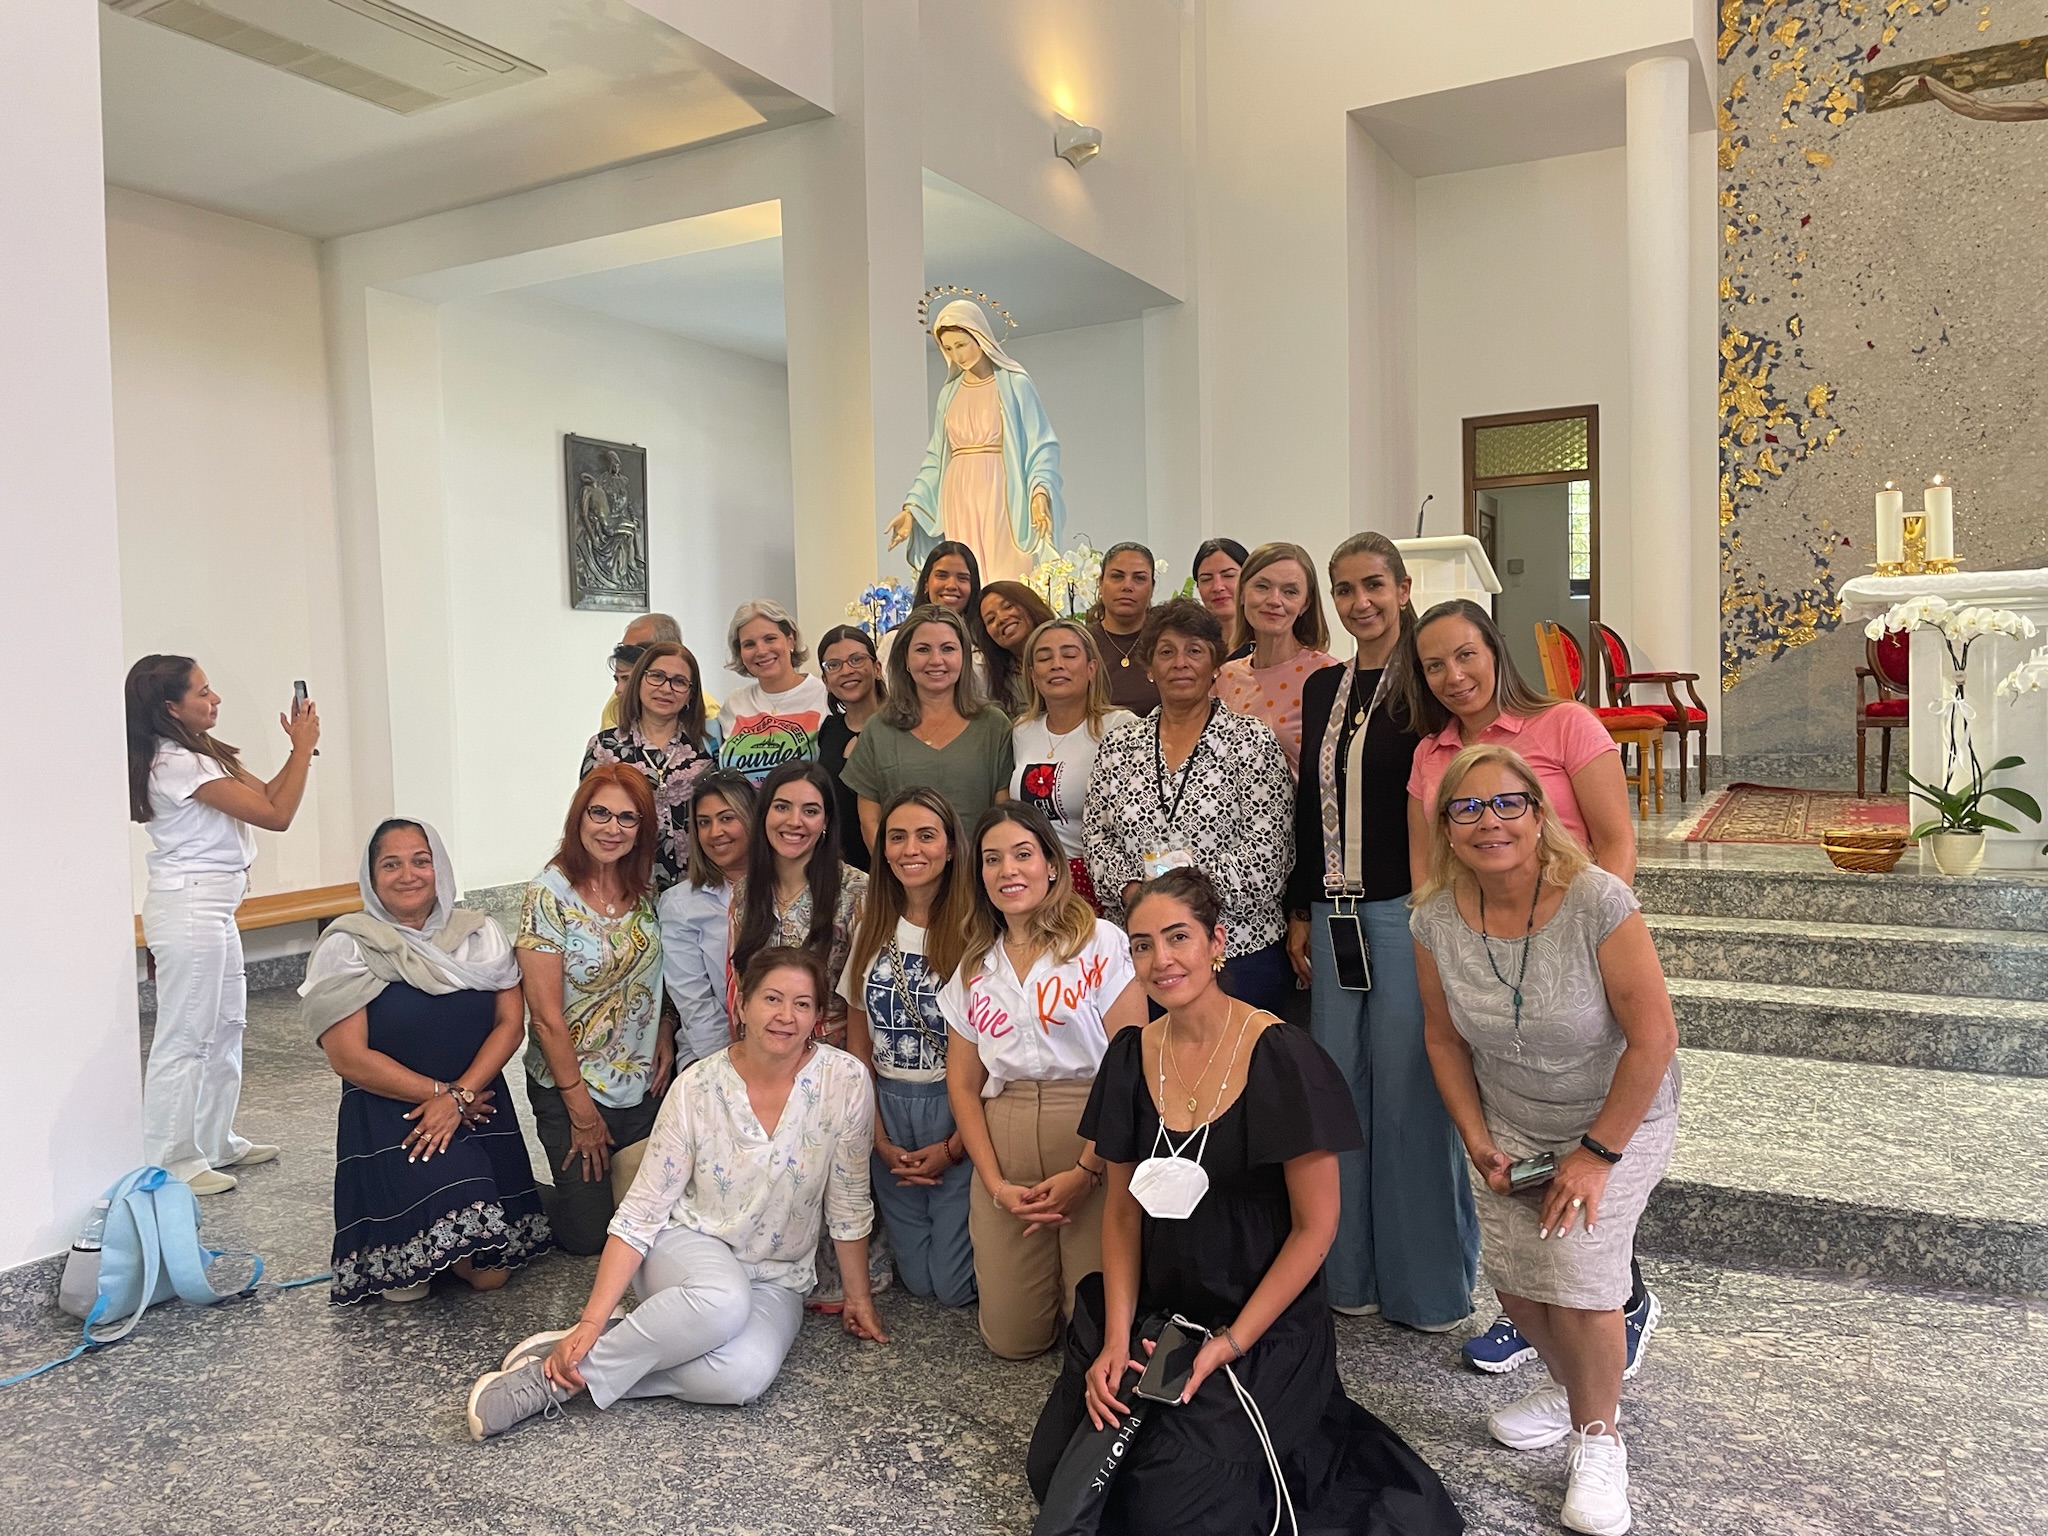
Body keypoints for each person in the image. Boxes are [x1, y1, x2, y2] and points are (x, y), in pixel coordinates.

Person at [1026, 869, 1463, 1536]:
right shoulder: (1129, 1056)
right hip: (1160, 1310)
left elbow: (1317, 1229)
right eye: (1142, 945)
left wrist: (1231, 1343)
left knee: (1173, 1507)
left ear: (1216, 942)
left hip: (1259, 1322)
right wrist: (1116, 1340)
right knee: (1059, 1471)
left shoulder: (1281, 1056)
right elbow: (1120, 1211)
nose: (1161, 960)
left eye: (1178, 938)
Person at [1410, 745, 1679, 1536]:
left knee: (1579, 1269)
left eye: (1507, 803)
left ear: (1539, 812)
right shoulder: (1431, 921)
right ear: (1447, 829)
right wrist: (1476, 1137)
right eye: (1468, 808)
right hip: (1513, 1122)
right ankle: (1575, 1393)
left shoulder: (1597, 899)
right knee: (1520, 1284)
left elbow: (1654, 1037)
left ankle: (1601, 1439)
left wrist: (1595, 1156)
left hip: (1618, 1114)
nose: (1489, 821)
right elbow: (1443, 1041)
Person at [465, 947, 886, 1440]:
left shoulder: (846, 1082)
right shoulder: (697, 1087)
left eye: (802, 1004)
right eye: (772, 998)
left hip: (777, 1273)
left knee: (741, 1377)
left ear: (817, 1016)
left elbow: (849, 1199)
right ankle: (546, 1383)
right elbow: (641, 1212)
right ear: (743, 1004)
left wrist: (858, 1296)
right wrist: (590, 1319)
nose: (786, 1017)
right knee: (722, 1300)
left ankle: (593, 1363)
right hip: (684, 1246)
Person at [1286, 534, 1477, 1330]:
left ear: (1402, 588)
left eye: (1373, 585)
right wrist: (1300, 905)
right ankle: (1349, 1277)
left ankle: (1427, 1287)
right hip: (1332, 915)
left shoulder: (1429, 682)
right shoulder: (1325, 684)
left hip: (1407, 911)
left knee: (1410, 1096)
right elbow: (1308, 797)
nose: (1359, 602)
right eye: (1343, 589)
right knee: (1341, 1095)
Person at [304, 820, 551, 1305]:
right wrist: (441, 1098)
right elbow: (348, 1057)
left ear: (439, 867)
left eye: (421, 860)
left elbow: (509, 1026)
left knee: (489, 1275)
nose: (408, 874)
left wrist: (459, 1097)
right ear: (371, 877)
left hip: (477, 1103)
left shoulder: (480, 936)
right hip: (396, 1115)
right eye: (390, 864)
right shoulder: (348, 945)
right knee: (406, 1290)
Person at [941, 804, 1147, 1359]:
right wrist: (995, 1183)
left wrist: (1087, 1170)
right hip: (1004, 1131)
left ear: (1052, 865)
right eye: (992, 859)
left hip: (1093, 1129)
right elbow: (962, 1083)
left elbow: (1129, 1065)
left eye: (1023, 854)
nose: (1008, 869)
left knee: (1096, 1330)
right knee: (1013, 1341)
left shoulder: (1103, 943)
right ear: (980, 876)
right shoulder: (974, 965)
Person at [126, 655, 320, 1195]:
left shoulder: (199, 752)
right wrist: (303, 748)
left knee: (227, 1023)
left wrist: (295, 753)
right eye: (203, 692)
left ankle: (214, 1140)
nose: (215, 699)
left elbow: (266, 797)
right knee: (185, 1036)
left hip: (215, 906)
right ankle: (172, 1159)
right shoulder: (174, 763)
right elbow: (279, 816)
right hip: (189, 908)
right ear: (171, 707)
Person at [1084, 600, 1295, 1015]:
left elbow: (1268, 853)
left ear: (1216, 664)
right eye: (1166, 652)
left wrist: (1178, 902)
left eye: (1194, 650)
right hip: (1141, 957)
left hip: (1236, 951)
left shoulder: (1250, 741)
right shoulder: (1119, 745)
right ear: (1149, 667)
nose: (1180, 663)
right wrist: (1133, 890)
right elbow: (1097, 837)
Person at [515, 765, 669, 1256]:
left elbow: (656, 973)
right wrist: (580, 1110)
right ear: (578, 818)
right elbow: (544, 1018)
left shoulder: (646, 890)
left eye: (628, 818)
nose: (612, 828)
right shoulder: (548, 894)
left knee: (648, 1220)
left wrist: (665, 1026)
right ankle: (503, 1195)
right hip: (572, 1086)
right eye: (599, 813)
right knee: (589, 1237)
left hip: (641, 1082)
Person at [841, 788, 978, 1309]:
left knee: (952, 1286)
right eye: (896, 837)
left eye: (926, 835)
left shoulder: (974, 930)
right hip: (889, 1110)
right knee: (918, 1283)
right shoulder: (871, 923)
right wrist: (876, 1135)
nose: (909, 849)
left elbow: (989, 1054)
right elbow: (858, 1042)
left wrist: (952, 1146)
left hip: (956, 1106)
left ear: (949, 848)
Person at [1404, 599, 1635, 887]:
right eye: (1435, 666)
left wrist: (1601, 922)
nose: (1454, 676)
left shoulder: (1568, 724)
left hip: (1569, 917)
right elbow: (1427, 867)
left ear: (1495, 653)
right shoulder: (1428, 753)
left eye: (1466, 655)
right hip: (1470, 925)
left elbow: (1616, 843)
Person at [888, 298, 1064, 585]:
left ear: (979, 337)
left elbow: (1041, 443)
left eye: (962, 344)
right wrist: (912, 508)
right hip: (958, 492)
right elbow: (935, 457)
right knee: (965, 568)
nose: (957, 355)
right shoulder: (949, 393)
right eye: (948, 348)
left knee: (1004, 573)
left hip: (1002, 489)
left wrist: (1039, 491)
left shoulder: (1014, 383)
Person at [843, 605, 1015, 852]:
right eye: (923, 649)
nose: (936, 660)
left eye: (948, 649)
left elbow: (1003, 817)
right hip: (905, 879)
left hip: (977, 880)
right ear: (905, 659)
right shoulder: (879, 729)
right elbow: (870, 820)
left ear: (964, 656)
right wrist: (893, 875)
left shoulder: (994, 726)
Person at [728, 762, 868, 1051]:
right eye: (781, 807)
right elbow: (742, 989)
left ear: (826, 821)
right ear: (764, 813)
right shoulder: (745, 891)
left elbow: (862, 1003)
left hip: (831, 1063)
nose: (794, 821)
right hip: (761, 1058)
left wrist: (859, 1075)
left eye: (810, 811)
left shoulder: (857, 891)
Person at [1008, 618, 1135, 913]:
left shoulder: (1120, 727)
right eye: (1044, 657)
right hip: (1035, 879)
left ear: (1091, 668)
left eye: (1068, 654)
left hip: (1097, 881)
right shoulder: (1022, 731)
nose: (1056, 664)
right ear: (1032, 674)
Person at [582, 640, 715, 892]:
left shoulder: (707, 749)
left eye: (679, 682)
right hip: (624, 885)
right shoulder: (604, 747)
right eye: (656, 676)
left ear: (690, 694)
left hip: (697, 888)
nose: (666, 688)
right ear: (639, 681)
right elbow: (587, 820)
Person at [658, 771, 756, 1074]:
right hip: (711, 1059)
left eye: (727, 818)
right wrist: (738, 1070)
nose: (715, 832)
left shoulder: (788, 891)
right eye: (704, 822)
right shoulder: (680, 904)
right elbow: (694, 1003)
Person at [1218, 540, 1341, 775]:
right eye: (1262, 587)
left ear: (1305, 603)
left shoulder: (1328, 675)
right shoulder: (1225, 676)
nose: (1275, 600)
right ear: (1242, 593)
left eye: (1290, 591)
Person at [716, 599, 831, 783]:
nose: (761, 651)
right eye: (749, 644)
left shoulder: (825, 696)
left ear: (790, 640)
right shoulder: (734, 704)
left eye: (770, 639)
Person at [815, 625, 885, 873]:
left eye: (856, 660)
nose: (846, 671)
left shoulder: (901, 727)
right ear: (825, 679)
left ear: (876, 668)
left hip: (893, 865)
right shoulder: (829, 730)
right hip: (842, 872)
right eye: (833, 665)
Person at [877, 541, 991, 687]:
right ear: (926, 584)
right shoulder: (895, 640)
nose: (951, 585)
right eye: (942, 576)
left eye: (962, 578)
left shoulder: (985, 645)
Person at [1087, 541, 1161, 714]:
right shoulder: (1082, 643)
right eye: (1117, 576)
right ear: (1100, 583)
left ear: (1152, 587)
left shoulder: (1165, 641)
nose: (1127, 586)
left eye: (1139, 578)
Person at [977, 578, 1059, 716]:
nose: (1001, 619)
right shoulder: (995, 680)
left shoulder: (1071, 648)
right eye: (991, 619)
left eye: (1008, 606)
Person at [1190, 537, 1249, 646]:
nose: (1217, 587)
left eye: (1228, 575)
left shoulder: (1266, 641)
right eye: (1206, 579)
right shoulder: (1191, 643)